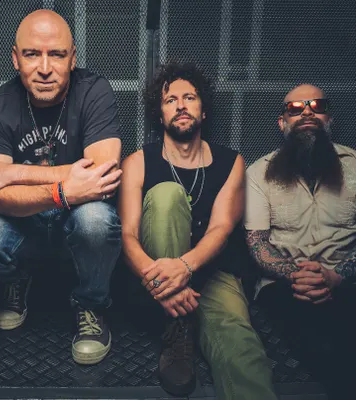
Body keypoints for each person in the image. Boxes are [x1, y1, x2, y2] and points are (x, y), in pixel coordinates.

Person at [0, 9, 122, 365]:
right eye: (32, 54)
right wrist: (63, 190)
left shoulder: (93, 91)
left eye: (57, 55)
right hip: (24, 227)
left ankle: (90, 304)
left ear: (73, 58)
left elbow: (102, 177)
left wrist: (11, 172)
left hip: (75, 225)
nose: (45, 68)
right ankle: (17, 277)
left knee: (96, 218)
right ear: (15, 58)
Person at [118, 62, 276, 398]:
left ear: (203, 111)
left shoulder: (231, 163)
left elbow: (221, 228)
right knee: (167, 195)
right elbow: (128, 236)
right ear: (160, 115)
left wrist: (185, 267)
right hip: (154, 272)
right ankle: (177, 329)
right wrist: (164, 284)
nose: (181, 105)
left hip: (213, 274)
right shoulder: (137, 162)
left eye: (189, 97)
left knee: (242, 346)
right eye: (170, 100)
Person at [246, 84, 356, 399]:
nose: (307, 111)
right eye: (295, 108)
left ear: (329, 119)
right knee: (321, 345)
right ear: (282, 123)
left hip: (347, 278)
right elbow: (257, 243)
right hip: (285, 285)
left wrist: (337, 276)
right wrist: (299, 275)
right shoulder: (259, 173)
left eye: (316, 106)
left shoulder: (354, 166)